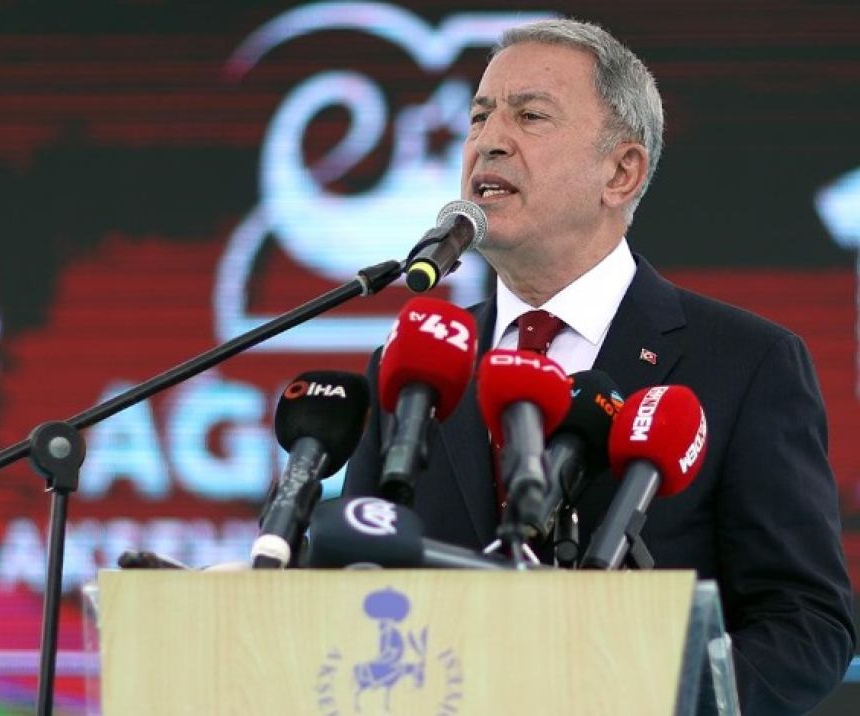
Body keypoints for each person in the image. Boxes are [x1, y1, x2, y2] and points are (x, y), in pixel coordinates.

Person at [343, 18, 855, 715]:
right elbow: (350, 583)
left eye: (530, 116)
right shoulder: (412, 367)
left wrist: (650, 697)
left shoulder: (747, 363)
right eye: (479, 116)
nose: (489, 140)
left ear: (622, 172)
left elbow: (807, 625)